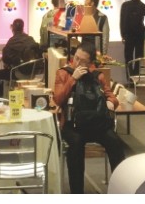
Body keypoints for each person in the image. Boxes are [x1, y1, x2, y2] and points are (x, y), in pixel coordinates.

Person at [53, 42, 127, 194]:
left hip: (95, 123)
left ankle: (121, 188)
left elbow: (111, 96)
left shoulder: (97, 76)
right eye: (76, 58)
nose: (77, 63)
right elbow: (58, 100)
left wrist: (111, 102)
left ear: (90, 63)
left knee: (115, 142)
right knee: (76, 144)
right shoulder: (63, 73)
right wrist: (73, 79)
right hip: (72, 124)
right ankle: (77, 193)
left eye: (83, 61)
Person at [0, 18, 41, 96]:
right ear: (23, 27)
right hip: (33, 73)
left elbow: (5, 59)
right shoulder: (30, 39)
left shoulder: (12, 41)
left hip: (18, 73)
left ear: (13, 28)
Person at [119, 0, 145, 76]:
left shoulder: (125, 5)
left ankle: (129, 77)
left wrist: (123, 35)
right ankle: (137, 76)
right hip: (140, 34)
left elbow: (122, 21)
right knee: (139, 56)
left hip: (128, 34)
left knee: (128, 57)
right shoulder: (144, 6)